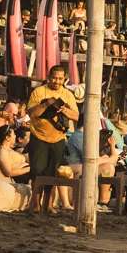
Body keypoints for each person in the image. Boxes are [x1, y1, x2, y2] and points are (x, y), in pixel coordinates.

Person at [26, 65, 79, 212]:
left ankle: (48, 204)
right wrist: (46, 104)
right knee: (37, 171)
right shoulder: (39, 92)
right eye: (54, 78)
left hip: (58, 139)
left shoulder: (68, 95)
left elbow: (77, 116)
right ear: (49, 77)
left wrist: (66, 110)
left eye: (60, 79)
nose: (57, 81)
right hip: (39, 137)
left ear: (64, 79)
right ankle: (35, 204)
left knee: (53, 172)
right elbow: (32, 113)